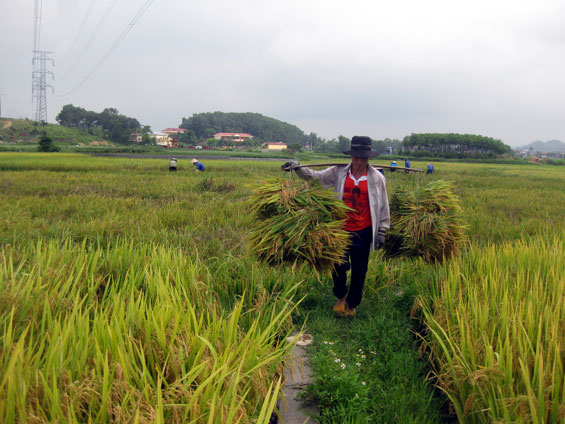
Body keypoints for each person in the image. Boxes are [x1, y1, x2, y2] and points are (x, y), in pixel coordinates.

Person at [282, 136, 390, 316]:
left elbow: (383, 204)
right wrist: (298, 168)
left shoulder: (377, 178)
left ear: (368, 158)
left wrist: (382, 230)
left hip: (364, 230)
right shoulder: (340, 172)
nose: (359, 161)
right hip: (340, 228)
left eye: (363, 158)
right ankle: (340, 297)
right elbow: (317, 178)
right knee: (337, 265)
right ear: (351, 156)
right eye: (356, 157)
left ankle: (352, 304)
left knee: (360, 269)